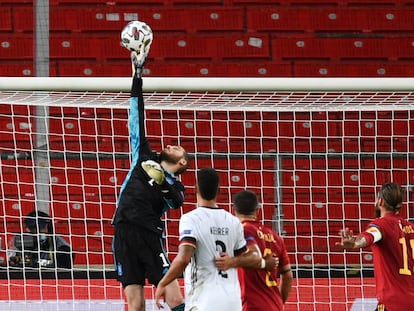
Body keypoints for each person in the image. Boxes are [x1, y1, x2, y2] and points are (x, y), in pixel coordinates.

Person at [111, 43, 189, 311]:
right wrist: (137, 76)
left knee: (174, 297)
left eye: (179, 149)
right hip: (122, 230)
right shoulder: (143, 155)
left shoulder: (176, 187)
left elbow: (176, 200)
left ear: (181, 163)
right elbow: (136, 115)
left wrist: (163, 179)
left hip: (148, 234)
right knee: (135, 303)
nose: (172, 144)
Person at [155, 167, 266, 311]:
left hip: (203, 300)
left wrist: (163, 284)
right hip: (232, 302)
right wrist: (233, 261)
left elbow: (184, 258)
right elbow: (254, 258)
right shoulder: (233, 222)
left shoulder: (190, 219)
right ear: (219, 191)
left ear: (196, 189)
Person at [336, 182, 414, 311]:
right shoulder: (411, 227)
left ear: (381, 201)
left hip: (392, 302)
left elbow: (370, 236)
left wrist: (355, 243)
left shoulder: (381, 224)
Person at [233, 190, 293, 311]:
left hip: (251, 305)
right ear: (258, 210)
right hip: (274, 304)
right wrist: (279, 301)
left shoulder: (240, 232)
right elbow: (287, 275)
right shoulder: (275, 236)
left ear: (234, 211)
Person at [8, 210, 73, 269]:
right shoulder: (20, 242)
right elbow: (12, 265)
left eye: (40, 228)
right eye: (32, 229)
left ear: (48, 228)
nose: (36, 233)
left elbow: (63, 273)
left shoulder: (62, 247)